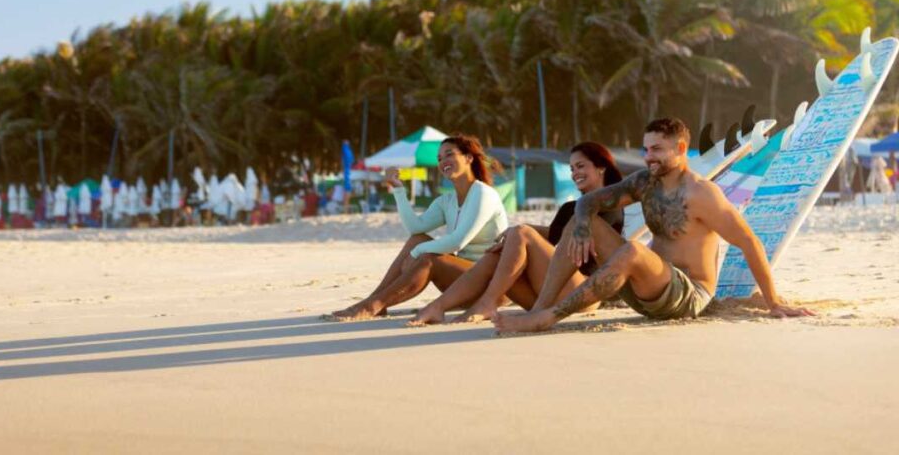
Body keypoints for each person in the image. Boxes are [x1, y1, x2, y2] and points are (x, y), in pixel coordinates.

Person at [494, 118, 814, 334]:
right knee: (584, 221)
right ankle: (539, 308)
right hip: (645, 288)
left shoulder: (701, 194)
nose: (649, 157)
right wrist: (579, 225)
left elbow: (748, 241)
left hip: (687, 296)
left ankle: (549, 317)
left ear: (680, 149)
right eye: (646, 149)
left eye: (657, 149)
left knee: (633, 249)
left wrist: (774, 302)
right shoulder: (645, 183)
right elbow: (587, 202)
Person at [411, 142, 624, 325]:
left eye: (580, 166)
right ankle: (438, 307)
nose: (574, 173)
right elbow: (553, 238)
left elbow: (602, 251)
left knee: (520, 232)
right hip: (548, 297)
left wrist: (521, 232)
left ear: (601, 167)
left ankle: (487, 303)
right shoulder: (570, 208)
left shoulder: (609, 204)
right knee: (501, 249)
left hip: (584, 293)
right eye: (571, 168)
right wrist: (512, 233)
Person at [328, 133, 507, 320]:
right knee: (418, 239)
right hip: (463, 282)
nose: (443, 161)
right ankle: (374, 300)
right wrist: (398, 189)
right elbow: (416, 228)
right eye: (439, 158)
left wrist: (416, 254)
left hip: (491, 286)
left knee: (428, 256)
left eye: (449, 154)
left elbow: (457, 242)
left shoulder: (483, 193)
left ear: (468, 158)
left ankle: (375, 304)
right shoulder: (447, 201)